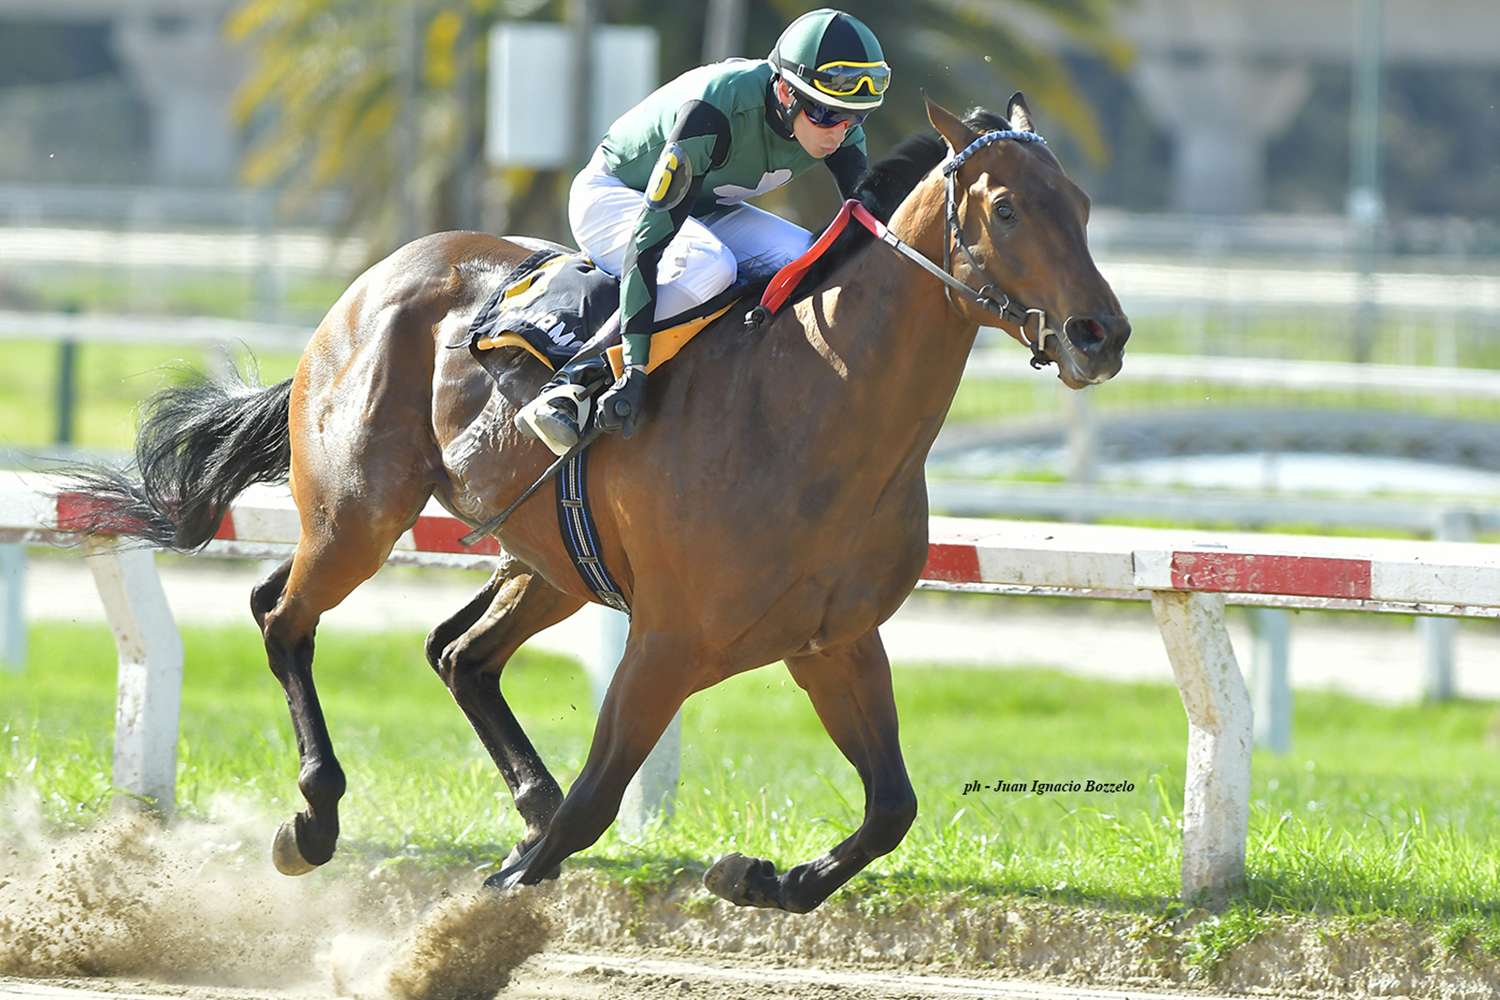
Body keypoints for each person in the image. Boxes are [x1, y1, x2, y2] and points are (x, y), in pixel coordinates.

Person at [515, 7, 890, 455]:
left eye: (856, 118)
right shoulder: (713, 109)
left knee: (810, 261)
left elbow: (873, 226)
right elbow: (648, 244)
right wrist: (635, 368)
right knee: (711, 266)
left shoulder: (837, 125)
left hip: (705, 209)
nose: (841, 133)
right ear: (785, 92)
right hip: (612, 196)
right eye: (827, 115)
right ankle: (577, 378)